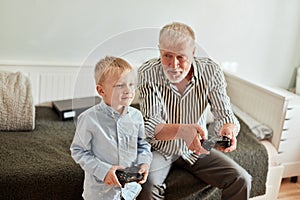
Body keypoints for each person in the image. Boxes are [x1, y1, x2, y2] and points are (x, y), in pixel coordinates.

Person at [137, 22, 252, 200]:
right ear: (159, 50)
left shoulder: (211, 71)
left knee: (241, 179)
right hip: (159, 148)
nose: (173, 65)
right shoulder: (147, 72)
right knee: (146, 186)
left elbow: (224, 113)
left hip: (197, 148)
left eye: (181, 57)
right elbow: (150, 125)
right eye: (167, 55)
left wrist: (229, 128)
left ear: (193, 52)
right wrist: (182, 131)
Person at [70, 56, 153, 200]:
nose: (128, 90)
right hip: (101, 194)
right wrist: (104, 171)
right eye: (120, 85)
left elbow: (143, 145)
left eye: (131, 84)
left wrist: (144, 163)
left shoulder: (136, 116)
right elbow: (78, 151)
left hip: (130, 192)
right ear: (101, 91)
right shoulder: (89, 119)